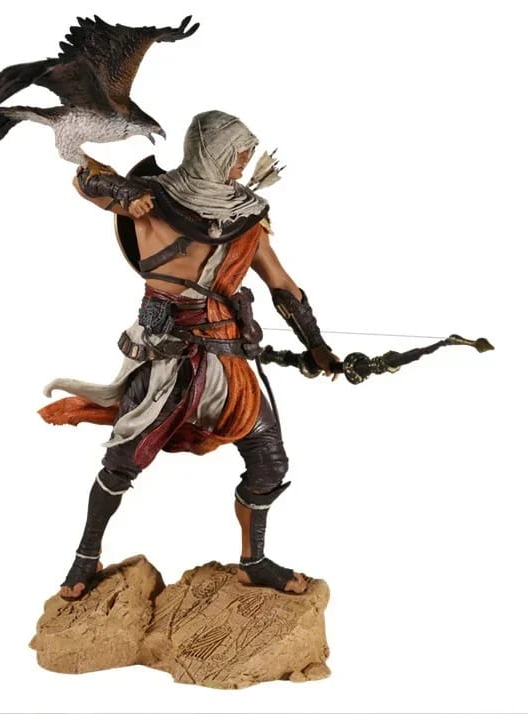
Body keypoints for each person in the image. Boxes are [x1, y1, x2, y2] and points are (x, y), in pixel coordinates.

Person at [41, 110, 337, 600]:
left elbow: (281, 285)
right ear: (214, 152)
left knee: (269, 461)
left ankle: (255, 563)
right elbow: (84, 179)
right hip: (166, 357)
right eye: (238, 154)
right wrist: (123, 193)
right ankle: (85, 558)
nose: (243, 164)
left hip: (226, 363)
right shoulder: (151, 198)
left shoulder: (245, 217)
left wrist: (317, 345)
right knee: (121, 462)